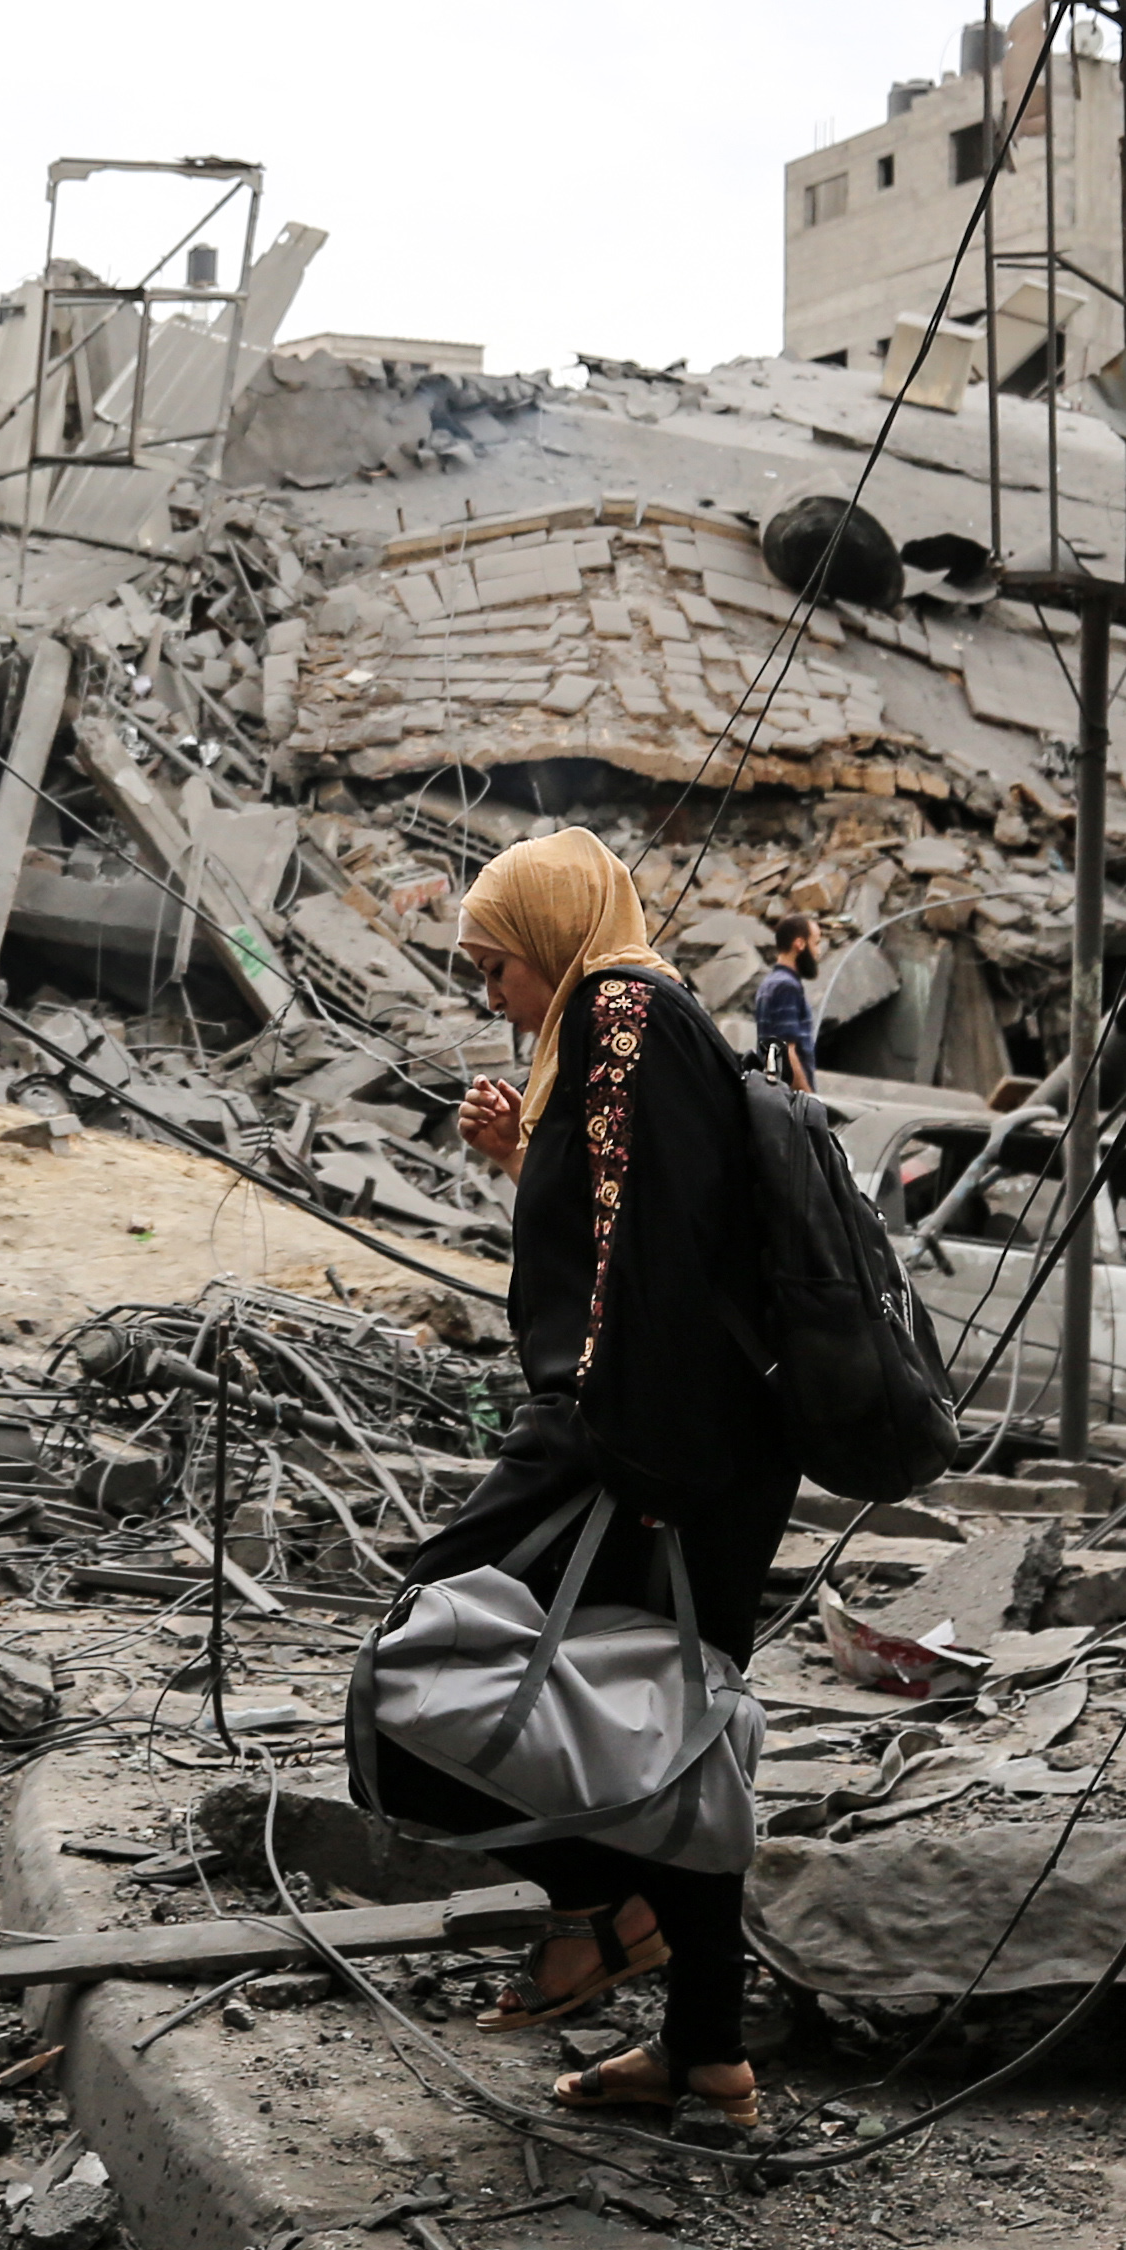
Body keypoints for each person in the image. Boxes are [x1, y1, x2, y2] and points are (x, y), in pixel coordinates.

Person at [368, 822, 795, 2138]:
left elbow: (647, 1258)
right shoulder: (619, 1033)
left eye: (496, 967)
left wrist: (633, 1451)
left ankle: (599, 1911)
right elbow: (634, 1217)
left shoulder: (621, 1009)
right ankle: (710, 2062)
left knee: (405, 1674)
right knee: (672, 1733)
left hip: (636, 1437)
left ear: (555, 942)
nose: (490, 996)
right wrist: (522, 1158)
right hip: (685, 1439)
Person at [748, 920, 822, 1090]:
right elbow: (787, 1052)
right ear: (800, 944)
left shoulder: (769, 983)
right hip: (788, 1097)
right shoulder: (786, 987)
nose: (818, 952)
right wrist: (808, 1099)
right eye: (816, 943)